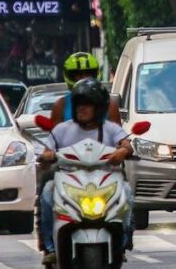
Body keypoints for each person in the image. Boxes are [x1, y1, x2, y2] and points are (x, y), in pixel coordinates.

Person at [38, 78, 135, 265]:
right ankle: (50, 247)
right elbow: (46, 153)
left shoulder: (110, 128)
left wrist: (123, 151)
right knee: (47, 192)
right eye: (79, 104)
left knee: (128, 193)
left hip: (105, 178)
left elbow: (126, 144)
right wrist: (47, 156)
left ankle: (123, 242)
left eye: (88, 104)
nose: (82, 108)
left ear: (98, 107)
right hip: (69, 178)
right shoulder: (62, 130)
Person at [50, 52, 121, 124]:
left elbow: (118, 133)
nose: (84, 79)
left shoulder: (110, 105)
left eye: (88, 74)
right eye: (78, 75)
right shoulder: (60, 106)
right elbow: (55, 134)